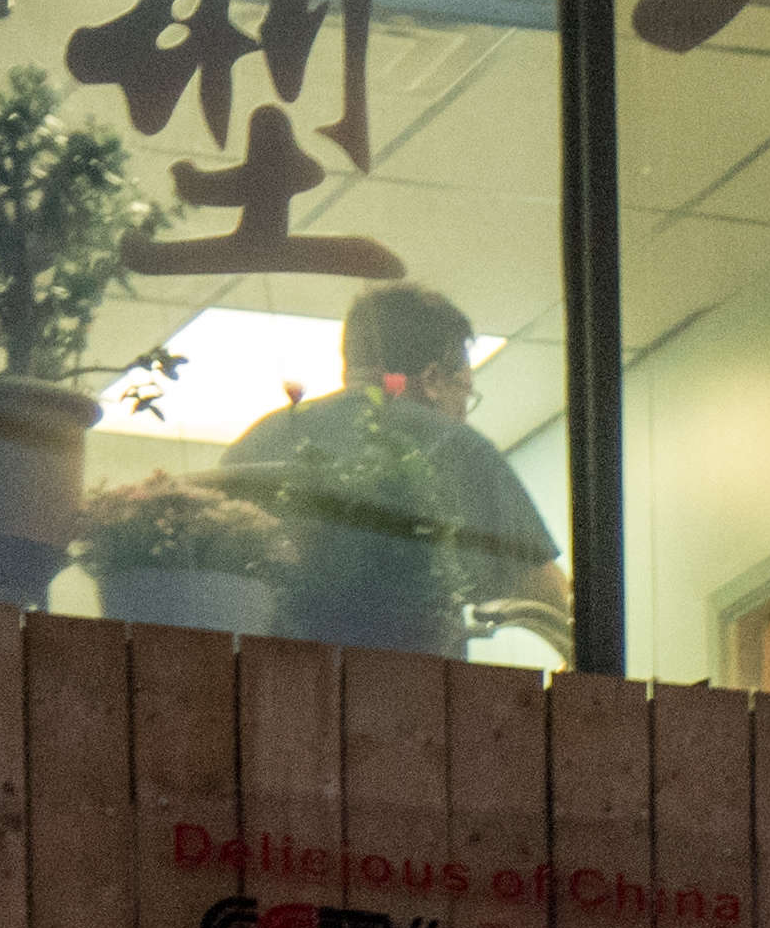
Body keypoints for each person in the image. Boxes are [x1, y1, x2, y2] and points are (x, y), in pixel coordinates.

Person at [222, 284, 569, 663]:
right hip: (409, 692)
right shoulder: (457, 448)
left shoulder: (260, 440)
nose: (464, 412)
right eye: (464, 393)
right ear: (433, 379)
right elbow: (548, 604)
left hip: (266, 684)